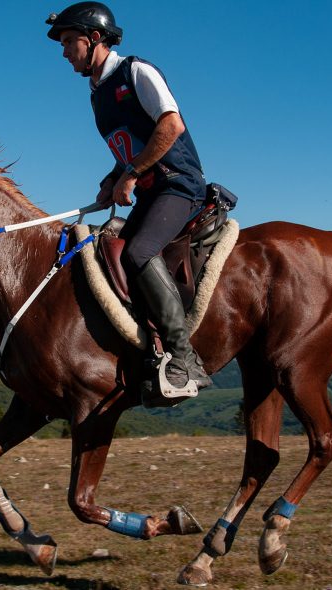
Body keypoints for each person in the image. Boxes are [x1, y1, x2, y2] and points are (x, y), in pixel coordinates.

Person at [46, 2, 213, 396]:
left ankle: (185, 359)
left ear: (95, 38)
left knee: (138, 254)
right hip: (150, 192)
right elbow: (130, 147)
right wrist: (113, 179)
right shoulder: (97, 93)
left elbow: (171, 125)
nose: (64, 51)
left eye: (69, 41)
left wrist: (131, 174)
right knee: (112, 255)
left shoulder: (135, 71)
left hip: (179, 185)